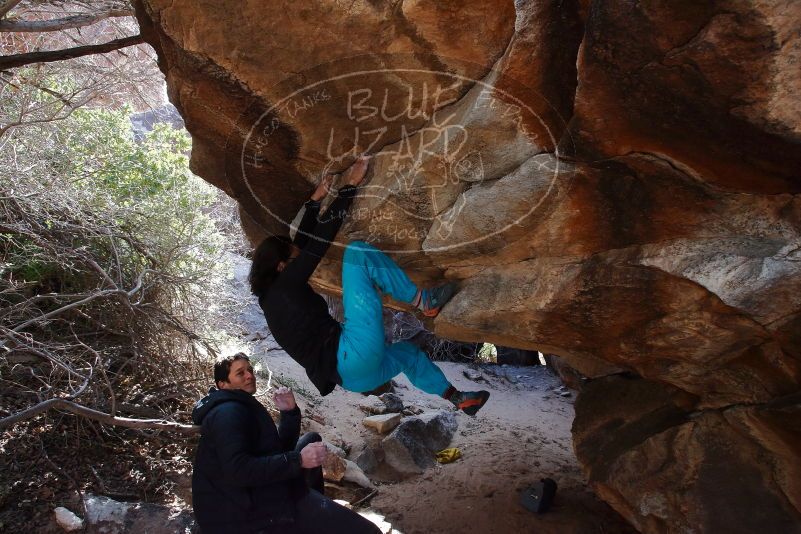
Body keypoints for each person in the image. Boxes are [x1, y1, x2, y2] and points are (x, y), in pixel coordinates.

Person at [249, 156, 490, 415]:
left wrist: (314, 202)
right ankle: (424, 301)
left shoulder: (273, 296)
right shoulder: (284, 286)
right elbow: (317, 243)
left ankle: (456, 397)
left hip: (353, 379)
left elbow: (302, 245)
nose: (300, 262)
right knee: (357, 253)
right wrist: (350, 186)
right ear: (282, 267)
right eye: (294, 261)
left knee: (408, 354)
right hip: (351, 354)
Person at [191, 352, 381, 534]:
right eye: (240, 373)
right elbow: (238, 470)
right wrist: (298, 461)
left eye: (250, 370)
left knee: (310, 439)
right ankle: (304, 514)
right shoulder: (228, 414)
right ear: (223, 384)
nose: (249, 376)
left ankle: (310, 514)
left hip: (256, 492)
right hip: (242, 516)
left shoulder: (240, 405)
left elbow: (275, 451)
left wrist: (289, 413)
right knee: (369, 531)